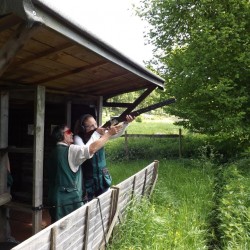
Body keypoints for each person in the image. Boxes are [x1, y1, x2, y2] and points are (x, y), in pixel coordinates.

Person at [46, 123, 121, 223]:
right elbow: (91, 149)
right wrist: (108, 134)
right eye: (68, 132)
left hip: (54, 197)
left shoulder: (52, 152)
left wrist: (96, 134)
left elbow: (86, 147)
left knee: (56, 228)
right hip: (69, 201)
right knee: (73, 229)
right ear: (62, 135)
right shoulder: (71, 150)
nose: (71, 133)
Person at [74, 114, 134, 202]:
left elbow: (115, 134)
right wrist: (96, 134)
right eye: (91, 126)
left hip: (102, 177)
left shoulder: (99, 133)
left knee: (106, 202)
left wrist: (126, 123)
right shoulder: (77, 138)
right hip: (87, 179)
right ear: (83, 128)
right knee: (87, 206)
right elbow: (85, 151)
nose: (96, 127)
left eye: (95, 124)